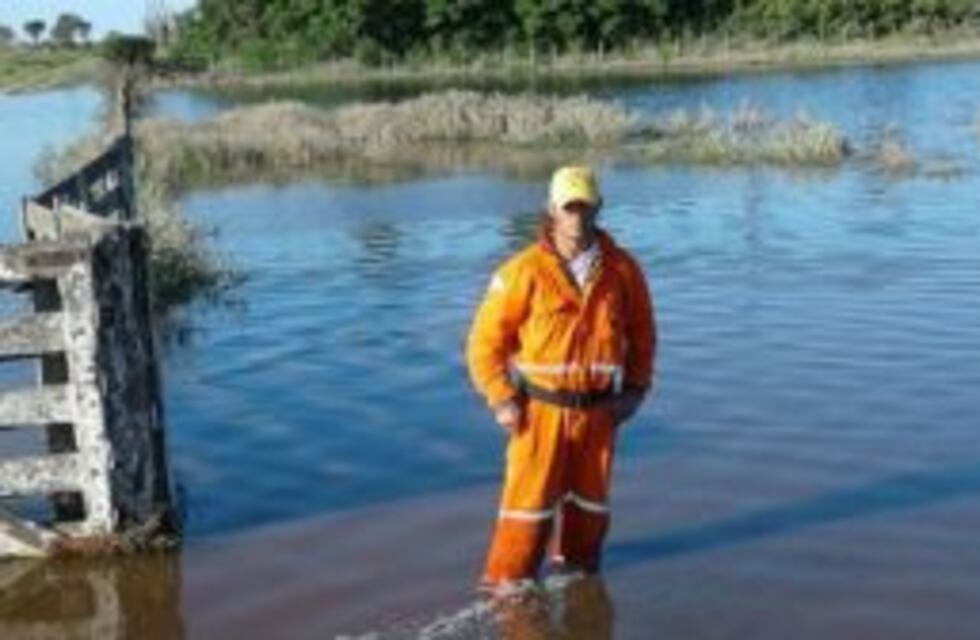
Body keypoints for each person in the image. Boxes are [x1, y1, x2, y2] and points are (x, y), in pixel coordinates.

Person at [466, 165, 657, 590]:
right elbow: (483, 345)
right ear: (551, 209)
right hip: (537, 415)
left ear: (598, 207)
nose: (576, 216)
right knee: (525, 517)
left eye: (584, 207)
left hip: (598, 416)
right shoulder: (522, 271)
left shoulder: (623, 270)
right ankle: (506, 601)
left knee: (589, 519)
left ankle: (580, 595)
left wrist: (635, 391)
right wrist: (501, 399)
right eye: (568, 207)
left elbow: (643, 335)